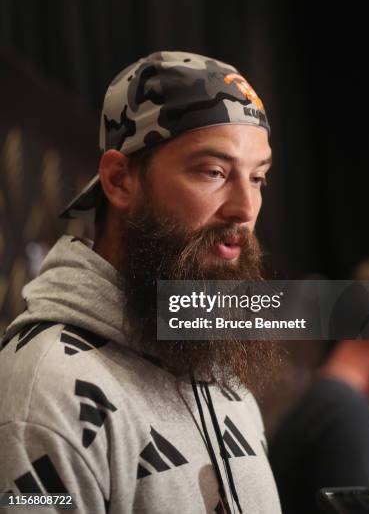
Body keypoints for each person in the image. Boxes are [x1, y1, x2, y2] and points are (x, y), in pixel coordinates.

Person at [0, 51, 281, 513]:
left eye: (258, 178)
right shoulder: (44, 390)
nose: (245, 209)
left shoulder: (225, 381)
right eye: (214, 172)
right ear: (119, 180)